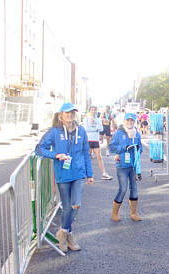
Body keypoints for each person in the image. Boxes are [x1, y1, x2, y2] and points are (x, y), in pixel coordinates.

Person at [35, 102, 93, 253]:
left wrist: (90, 173)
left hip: (78, 173)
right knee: (66, 208)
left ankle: (63, 232)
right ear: (61, 115)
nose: (70, 115)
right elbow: (39, 148)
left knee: (76, 204)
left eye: (72, 112)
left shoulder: (82, 131)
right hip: (63, 174)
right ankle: (69, 235)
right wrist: (55, 155)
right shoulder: (55, 131)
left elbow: (86, 153)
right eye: (67, 112)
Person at [109, 113, 143, 222]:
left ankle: (134, 213)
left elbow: (141, 148)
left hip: (133, 166)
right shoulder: (119, 133)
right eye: (128, 121)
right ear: (124, 121)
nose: (130, 123)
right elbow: (111, 147)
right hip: (122, 166)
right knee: (123, 189)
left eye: (132, 121)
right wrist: (124, 147)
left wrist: (138, 149)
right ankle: (114, 213)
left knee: (134, 189)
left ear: (134, 122)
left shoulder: (137, 133)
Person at [83, 106, 113, 180]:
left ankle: (104, 173)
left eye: (94, 110)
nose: (93, 111)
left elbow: (101, 129)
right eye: (92, 110)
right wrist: (95, 128)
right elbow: (87, 128)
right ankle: (85, 174)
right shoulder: (86, 119)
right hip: (88, 139)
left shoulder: (98, 120)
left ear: (96, 111)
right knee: (87, 157)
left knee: (99, 156)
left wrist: (95, 125)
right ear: (89, 111)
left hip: (95, 140)